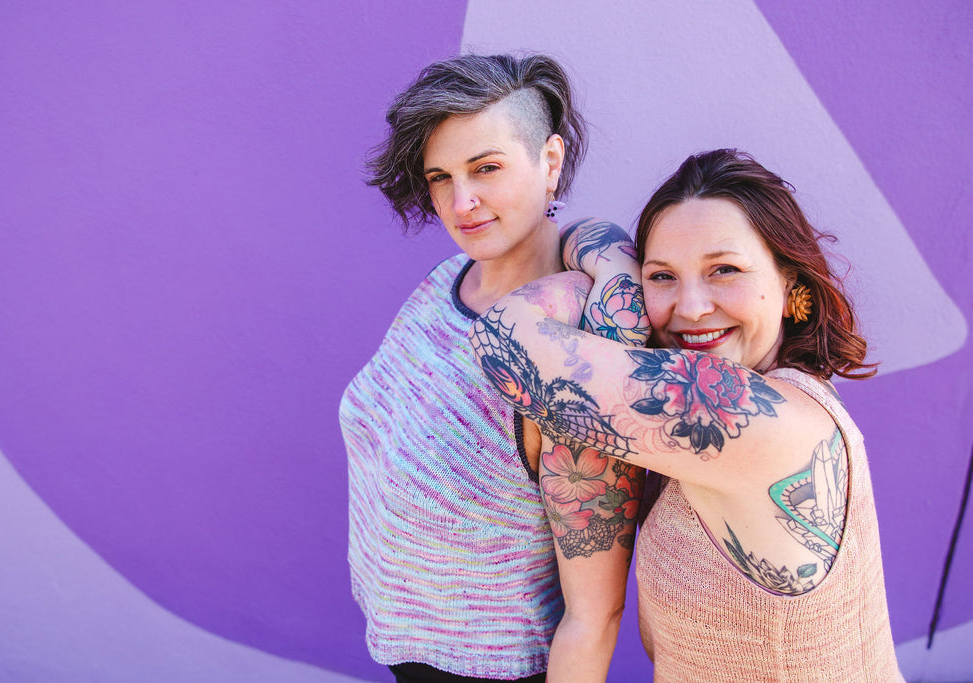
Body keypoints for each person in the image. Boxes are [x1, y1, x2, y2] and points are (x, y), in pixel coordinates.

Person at [470, 149, 904, 682]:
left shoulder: (751, 420)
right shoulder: (783, 402)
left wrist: (610, 276)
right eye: (662, 277)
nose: (692, 306)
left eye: (725, 270)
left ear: (792, 286)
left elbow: (500, 340)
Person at [340, 54, 647, 682]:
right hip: (407, 647)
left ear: (551, 162)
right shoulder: (448, 279)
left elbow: (595, 614)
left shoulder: (563, 353)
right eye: (440, 177)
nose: (463, 202)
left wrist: (617, 266)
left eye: (486, 168)